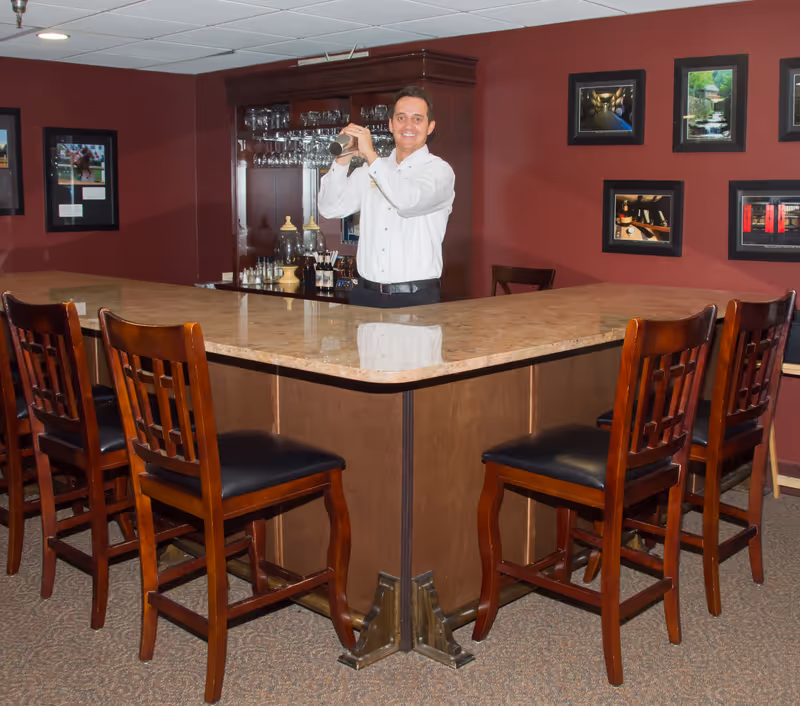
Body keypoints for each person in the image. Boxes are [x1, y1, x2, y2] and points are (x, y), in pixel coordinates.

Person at [318, 86, 455, 308]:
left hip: (416, 298)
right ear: (391, 124)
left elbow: (407, 202)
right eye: (401, 118)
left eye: (417, 119)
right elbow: (329, 208)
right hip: (366, 295)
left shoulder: (440, 172)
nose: (408, 125)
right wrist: (342, 160)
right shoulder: (369, 170)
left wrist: (371, 156)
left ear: (430, 127)